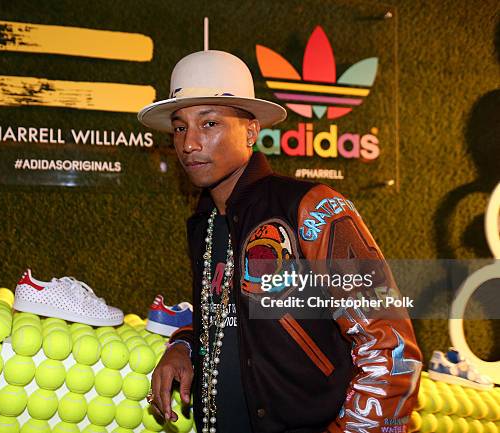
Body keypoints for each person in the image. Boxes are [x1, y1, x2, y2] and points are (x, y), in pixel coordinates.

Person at [137, 50, 422, 433]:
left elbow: (390, 349)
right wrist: (184, 345)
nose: (190, 143)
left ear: (252, 131)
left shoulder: (311, 206)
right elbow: (232, 319)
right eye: (180, 127)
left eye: (209, 123)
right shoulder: (203, 224)